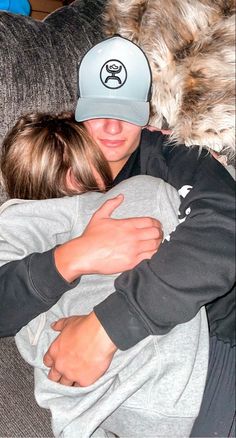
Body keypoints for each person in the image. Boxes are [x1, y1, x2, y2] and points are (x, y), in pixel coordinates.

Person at [0, 36, 235, 436]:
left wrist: (106, 327)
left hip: (217, 342)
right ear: (77, 113)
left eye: (126, 113)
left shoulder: (175, 157)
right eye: (97, 113)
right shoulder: (54, 168)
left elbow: (223, 230)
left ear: (147, 117)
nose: (111, 128)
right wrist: (73, 257)